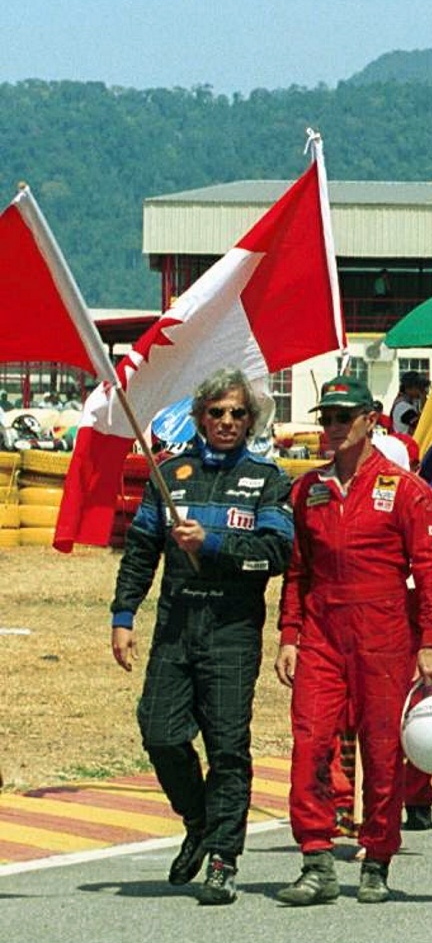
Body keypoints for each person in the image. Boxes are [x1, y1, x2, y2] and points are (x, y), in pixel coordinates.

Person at [110, 369, 292, 905]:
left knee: (228, 748)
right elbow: (141, 551)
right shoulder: (170, 474)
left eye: (237, 413)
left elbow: (275, 556)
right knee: (160, 733)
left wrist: (211, 544)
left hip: (232, 632)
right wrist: (123, 616)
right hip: (175, 626)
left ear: (250, 420)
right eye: (217, 413)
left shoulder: (267, 478)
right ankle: (197, 819)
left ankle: (222, 858)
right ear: (199, 418)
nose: (227, 422)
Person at [274, 376, 432, 907]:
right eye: (326, 417)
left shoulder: (407, 490)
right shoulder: (308, 491)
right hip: (323, 633)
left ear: (371, 419)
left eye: (343, 417)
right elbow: (297, 572)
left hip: (385, 632)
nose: (333, 427)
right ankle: (315, 858)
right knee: (309, 741)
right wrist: (288, 634)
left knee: (380, 748)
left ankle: (377, 857)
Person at [390, 370, 430, 438]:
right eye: (419, 388)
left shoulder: (411, 402)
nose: (423, 390)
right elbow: (422, 425)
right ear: (408, 388)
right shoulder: (402, 407)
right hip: (406, 445)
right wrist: (423, 401)